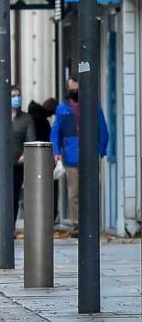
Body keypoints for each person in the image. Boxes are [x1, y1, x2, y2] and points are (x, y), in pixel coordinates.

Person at [50, 78, 108, 230]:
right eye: (72, 89)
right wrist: (56, 152)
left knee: (90, 191)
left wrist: (100, 151)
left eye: (77, 89)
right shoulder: (62, 109)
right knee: (74, 192)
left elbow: (102, 130)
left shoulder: (93, 107)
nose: (74, 92)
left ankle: (90, 223)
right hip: (70, 157)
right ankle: (77, 224)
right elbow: (56, 132)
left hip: (90, 156)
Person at [0, 86, 36, 225]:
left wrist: (25, 155)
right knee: (3, 195)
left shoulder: (26, 119)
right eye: (12, 96)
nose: (16, 98)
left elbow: (31, 140)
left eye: (18, 95)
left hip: (17, 164)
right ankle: (2, 225)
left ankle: (10, 226)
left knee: (13, 195)